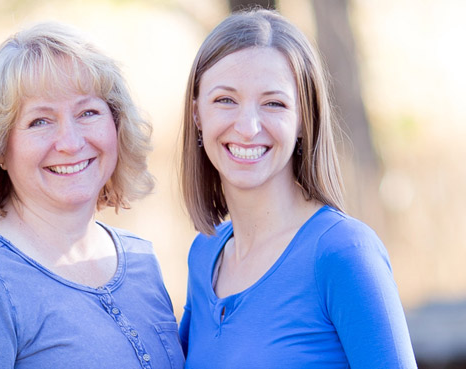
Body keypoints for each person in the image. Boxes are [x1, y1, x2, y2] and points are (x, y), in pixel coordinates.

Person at [0, 22, 184, 369]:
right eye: (40, 121)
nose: (71, 142)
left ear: (116, 126)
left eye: (88, 113)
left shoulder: (140, 259)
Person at [178, 8, 417, 369]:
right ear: (197, 114)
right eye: (225, 100)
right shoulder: (204, 254)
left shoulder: (342, 253)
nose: (247, 127)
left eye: (274, 103)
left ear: (305, 120)